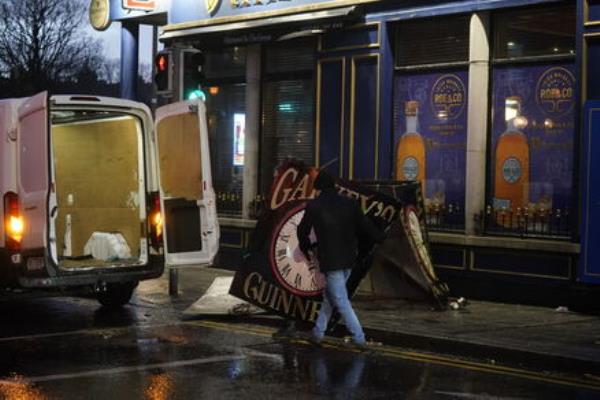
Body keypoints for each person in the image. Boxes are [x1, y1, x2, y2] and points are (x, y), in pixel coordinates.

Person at [297, 171, 385, 349]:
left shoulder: (314, 206)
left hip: (331, 260)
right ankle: (317, 333)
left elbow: (302, 230)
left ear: (319, 187)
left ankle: (359, 338)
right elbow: (365, 226)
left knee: (340, 300)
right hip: (349, 258)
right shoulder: (350, 203)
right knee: (330, 298)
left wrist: (307, 248)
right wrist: (380, 237)